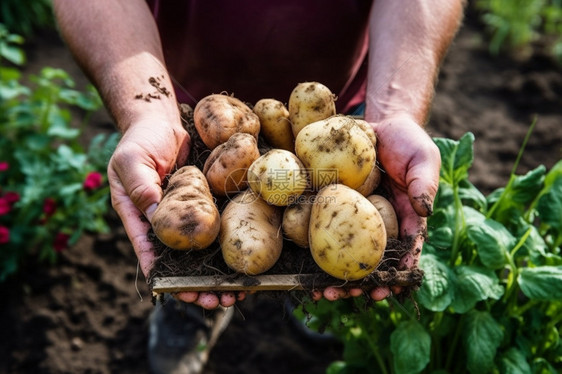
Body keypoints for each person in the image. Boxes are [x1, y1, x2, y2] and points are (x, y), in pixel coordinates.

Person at [53, 0, 464, 371]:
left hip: (352, 111)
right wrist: (145, 112)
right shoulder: (259, 165)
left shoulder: (316, 156)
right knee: (202, 206)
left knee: (307, 221)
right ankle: (191, 300)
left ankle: (304, 282)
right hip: (182, 114)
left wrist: (395, 110)